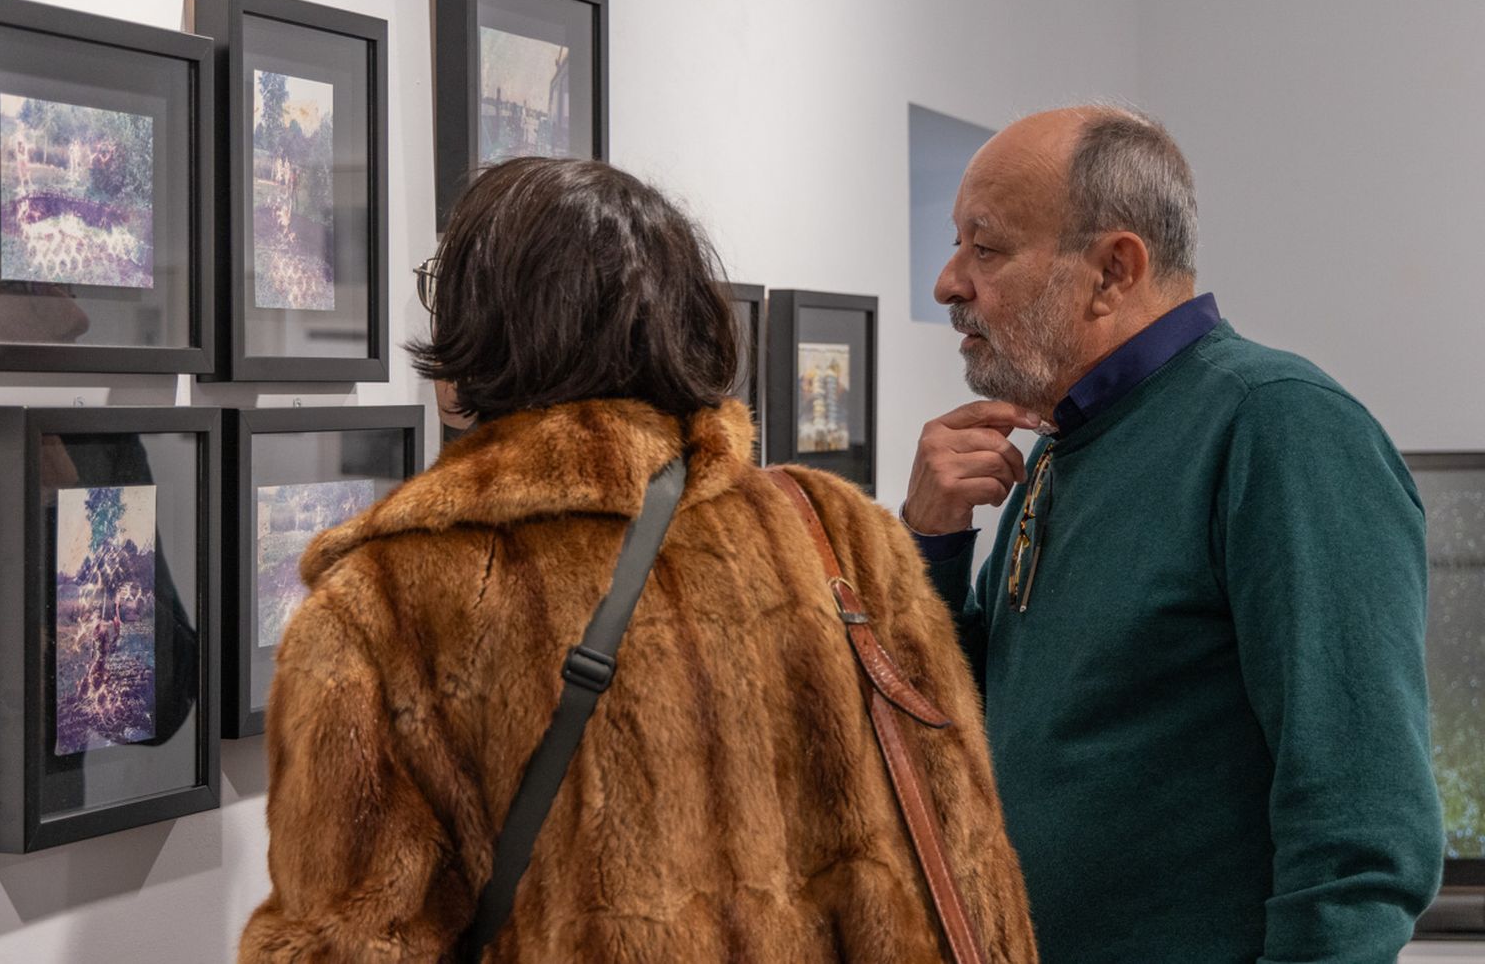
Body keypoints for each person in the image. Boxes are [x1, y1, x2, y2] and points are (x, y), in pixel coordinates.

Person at [240, 157, 1038, 962]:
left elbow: (348, 940)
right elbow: (967, 864)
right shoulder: (832, 527)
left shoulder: (379, 611)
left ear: (480, 327)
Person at [903, 105, 1444, 962]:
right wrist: (929, 544)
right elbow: (960, 720)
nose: (947, 282)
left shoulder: (1279, 427)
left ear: (1114, 269)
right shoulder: (1061, 446)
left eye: (986, 246)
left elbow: (1362, 831)